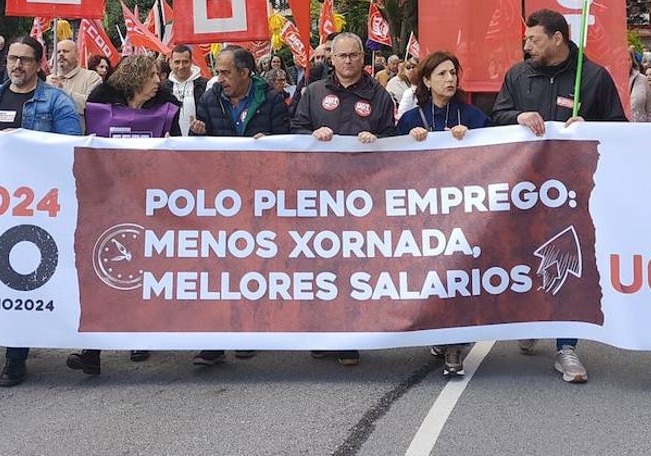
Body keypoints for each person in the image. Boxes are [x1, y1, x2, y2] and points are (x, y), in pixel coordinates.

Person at [491, 8, 626, 384]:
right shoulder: (518, 74)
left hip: (573, 192)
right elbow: (496, 117)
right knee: (522, 254)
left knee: (568, 261)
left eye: (533, 39)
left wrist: (591, 126)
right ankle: (533, 316)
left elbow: (619, 128)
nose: (526, 45)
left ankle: (567, 347)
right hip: (525, 188)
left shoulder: (595, 77)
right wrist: (516, 116)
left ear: (557, 39)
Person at [67, 53, 180, 377]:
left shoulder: (166, 102)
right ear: (137, 77)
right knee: (101, 270)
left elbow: (179, 146)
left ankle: (139, 334)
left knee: (141, 268)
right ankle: (92, 352)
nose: (159, 80)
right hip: (106, 197)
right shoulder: (101, 98)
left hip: (147, 198)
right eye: (153, 76)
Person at [0, 35, 81, 386]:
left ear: (39, 64)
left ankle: (16, 356)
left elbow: (71, 149)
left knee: (22, 275)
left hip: (36, 204)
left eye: (24, 59)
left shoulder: (56, 102)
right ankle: (12, 344)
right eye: (12, 59)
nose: (17, 65)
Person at [292, 31, 397, 366]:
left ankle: (350, 337)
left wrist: (376, 139)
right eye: (342, 56)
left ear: (362, 59)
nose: (349, 61)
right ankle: (324, 333)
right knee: (322, 266)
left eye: (354, 55)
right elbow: (294, 131)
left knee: (354, 267)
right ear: (331, 59)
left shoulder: (379, 95)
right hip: (320, 194)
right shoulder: (313, 93)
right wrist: (312, 135)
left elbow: (395, 141)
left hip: (362, 196)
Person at [189, 44, 289, 366]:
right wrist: (197, 133)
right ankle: (215, 342)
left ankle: (248, 332)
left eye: (225, 72)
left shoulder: (271, 100)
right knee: (218, 270)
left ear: (245, 73)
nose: (219, 78)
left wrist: (270, 143)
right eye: (218, 72)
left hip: (260, 198)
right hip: (221, 198)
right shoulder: (210, 98)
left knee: (251, 269)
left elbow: (287, 142)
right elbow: (198, 146)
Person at [395, 50, 489, 377]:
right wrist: (409, 141)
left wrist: (473, 139)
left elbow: (496, 154)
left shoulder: (473, 116)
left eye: (453, 73)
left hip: (462, 210)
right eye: (442, 74)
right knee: (431, 275)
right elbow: (391, 167)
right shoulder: (410, 120)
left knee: (456, 273)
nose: (450, 80)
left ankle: (453, 345)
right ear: (426, 80)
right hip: (424, 213)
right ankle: (438, 333)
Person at [46, 38, 103, 127]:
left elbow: (92, 107)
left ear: (77, 55)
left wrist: (63, 90)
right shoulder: (48, 80)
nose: (61, 54)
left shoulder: (92, 78)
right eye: (58, 52)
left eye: (65, 51)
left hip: (79, 137)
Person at [167, 44, 208, 136]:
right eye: (177, 62)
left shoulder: (204, 85)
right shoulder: (164, 87)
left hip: (197, 141)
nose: (181, 66)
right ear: (171, 63)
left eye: (185, 62)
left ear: (191, 62)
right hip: (171, 141)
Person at [628, 52, 651, 123]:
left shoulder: (643, 80)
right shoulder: (609, 79)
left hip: (640, 128)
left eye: (628, 59)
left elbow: (650, 110)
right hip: (617, 129)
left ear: (632, 60)